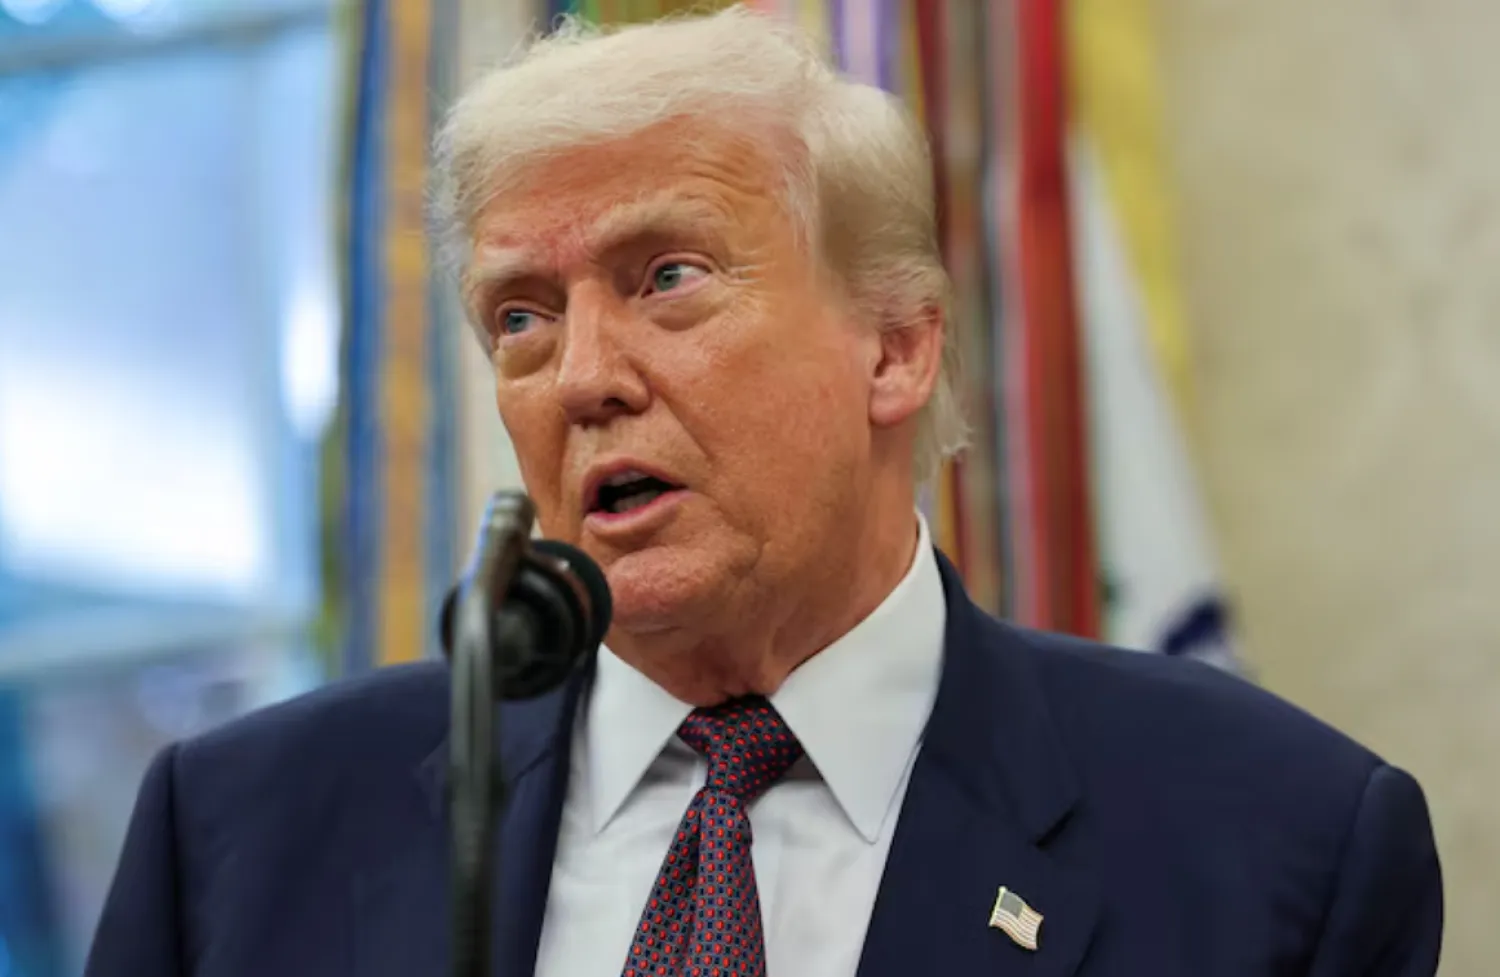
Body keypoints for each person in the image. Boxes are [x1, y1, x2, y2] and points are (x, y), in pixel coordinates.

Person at [85, 8, 1442, 977]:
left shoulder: (1271, 843)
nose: (581, 378)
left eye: (667, 277)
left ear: (898, 345)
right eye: (519, 316)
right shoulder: (243, 837)